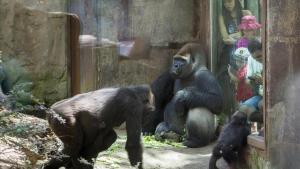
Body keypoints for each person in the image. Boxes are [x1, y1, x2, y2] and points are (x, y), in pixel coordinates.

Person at [239, 39, 263, 133]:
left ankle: (264, 128)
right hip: (259, 94)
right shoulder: (251, 59)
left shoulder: (270, 59)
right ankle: (255, 131)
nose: (258, 60)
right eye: (255, 58)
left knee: (261, 104)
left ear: (263, 50)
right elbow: (248, 80)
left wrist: (263, 81)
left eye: (259, 56)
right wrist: (254, 81)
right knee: (243, 107)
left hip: (268, 95)